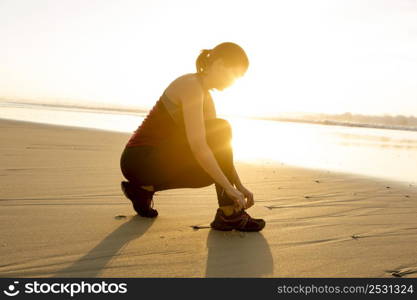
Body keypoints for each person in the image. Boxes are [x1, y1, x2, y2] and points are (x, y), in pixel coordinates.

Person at [120, 42, 265, 232]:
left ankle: (143, 191)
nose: (234, 82)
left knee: (209, 173)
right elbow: (199, 145)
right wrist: (229, 188)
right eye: (235, 75)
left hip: (156, 160)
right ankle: (229, 214)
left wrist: (238, 186)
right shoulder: (190, 85)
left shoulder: (206, 96)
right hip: (139, 158)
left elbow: (221, 151)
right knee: (220, 131)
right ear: (220, 65)